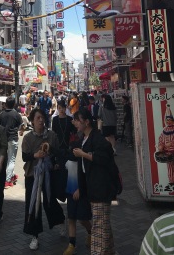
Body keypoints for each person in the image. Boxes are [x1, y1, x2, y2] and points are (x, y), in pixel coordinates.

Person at [73, 108, 116, 255]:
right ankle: (110, 251)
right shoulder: (84, 139)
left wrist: (84, 154)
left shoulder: (97, 138)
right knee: (103, 224)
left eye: (78, 120)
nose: (75, 123)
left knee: (99, 226)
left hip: (101, 188)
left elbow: (104, 157)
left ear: (86, 122)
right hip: (93, 187)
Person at [22, 108, 65, 251]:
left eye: (42, 118)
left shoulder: (51, 135)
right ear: (32, 121)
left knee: (50, 201)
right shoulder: (28, 138)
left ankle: (60, 222)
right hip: (32, 176)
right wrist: (35, 155)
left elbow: (58, 153)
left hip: (49, 174)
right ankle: (35, 236)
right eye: (38, 118)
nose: (41, 120)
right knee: (33, 204)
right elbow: (24, 157)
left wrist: (55, 160)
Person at [63, 138, 92, 255]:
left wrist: (80, 189)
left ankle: (91, 232)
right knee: (71, 219)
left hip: (82, 194)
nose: (73, 153)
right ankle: (71, 244)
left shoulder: (84, 163)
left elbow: (88, 179)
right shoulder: (68, 162)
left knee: (83, 219)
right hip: (70, 193)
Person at [0, 96, 24, 188]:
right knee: (11, 160)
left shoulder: (1, 114)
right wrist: (21, 131)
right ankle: (8, 180)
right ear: (14, 104)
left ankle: (11, 175)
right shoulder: (16, 114)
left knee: (7, 159)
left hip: (3, 139)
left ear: (5, 104)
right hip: (13, 139)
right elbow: (22, 125)